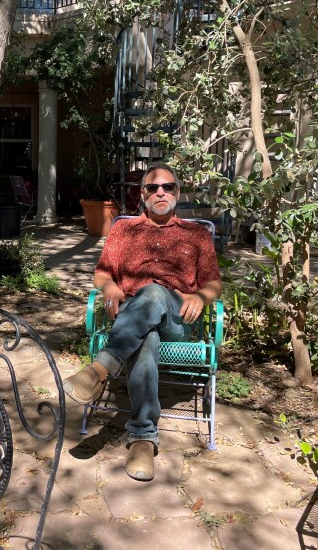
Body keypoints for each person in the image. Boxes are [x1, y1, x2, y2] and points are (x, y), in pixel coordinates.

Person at [63, 162, 222, 481]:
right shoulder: (124, 229)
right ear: (142, 194)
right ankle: (143, 440)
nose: (160, 192)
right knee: (146, 339)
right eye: (152, 188)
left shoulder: (196, 234)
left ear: (178, 192)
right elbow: (102, 272)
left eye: (167, 187)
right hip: (135, 320)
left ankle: (100, 368)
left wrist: (201, 298)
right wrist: (108, 286)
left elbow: (214, 282)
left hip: (177, 318)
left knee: (151, 292)